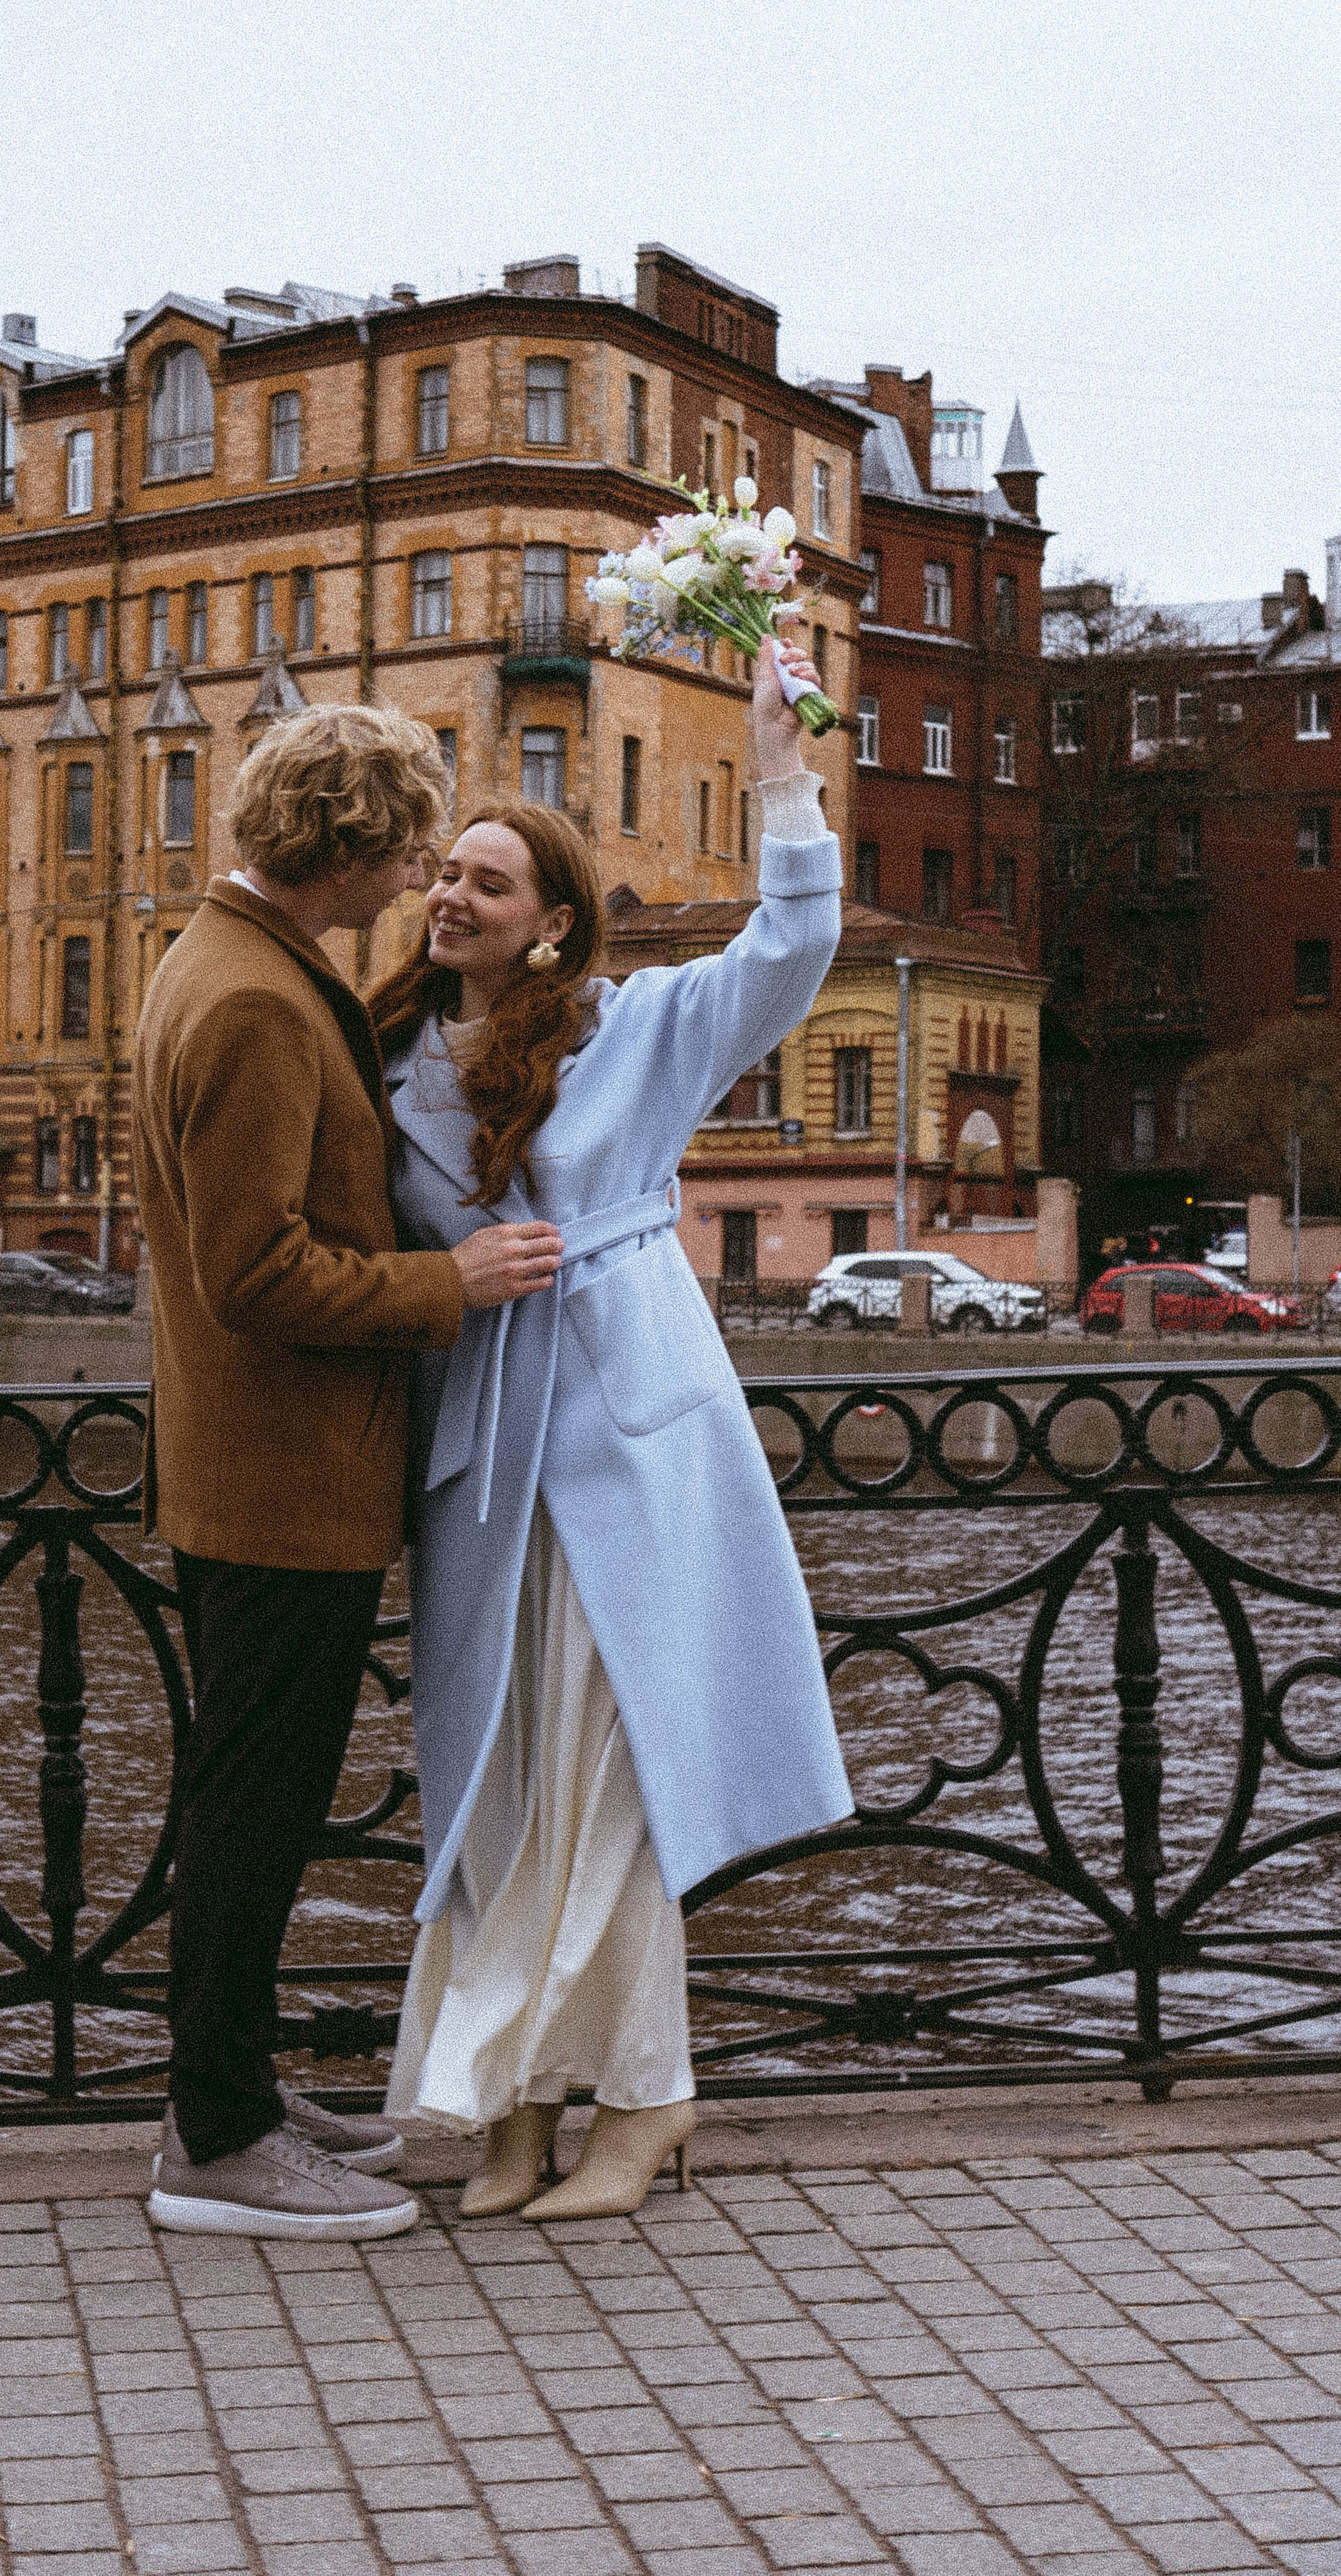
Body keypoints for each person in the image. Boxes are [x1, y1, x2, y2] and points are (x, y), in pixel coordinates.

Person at [370, 637, 854, 2220]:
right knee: (499, 1784)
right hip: (481, 1459)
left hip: (629, 1439)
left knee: (612, 1773)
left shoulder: (633, 1030)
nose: (452, 898)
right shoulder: (395, 1064)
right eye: (446, 874)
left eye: (488, 883)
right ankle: (508, 2107)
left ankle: (643, 2101)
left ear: (555, 921)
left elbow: (792, 945)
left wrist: (778, 767)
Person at [133, 703, 564, 2241]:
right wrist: (453, 1282)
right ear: (351, 844)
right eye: (408, 851)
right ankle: (217, 2141)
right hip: (281, 1478)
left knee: (246, 1798)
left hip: (254, 1469)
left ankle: (231, 2092)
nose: (417, 880)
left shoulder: (229, 960)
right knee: (252, 1813)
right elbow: (255, 1271)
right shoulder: (254, 1001)